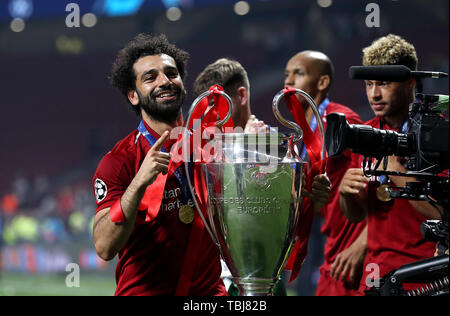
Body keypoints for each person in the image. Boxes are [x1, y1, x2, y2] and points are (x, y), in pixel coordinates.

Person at [92, 33, 227, 296]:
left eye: (171, 73)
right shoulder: (119, 161)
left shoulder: (210, 148)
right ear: (133, 95)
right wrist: (139, 183)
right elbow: (105, 247)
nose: (165, 81)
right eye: (150, 77)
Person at [193, 57, 332, 296]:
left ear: (241, 96)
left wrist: (316, 192)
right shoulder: (204, 154)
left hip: (266, 277)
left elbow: (304, 215)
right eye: (207, 106)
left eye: (216, 103)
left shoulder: (280, 149)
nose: (211, 114)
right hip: (214, 283)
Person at [339, 34, 441, 295]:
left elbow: (441, 214)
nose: (374, 93)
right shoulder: (365, 134)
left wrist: (397, 172)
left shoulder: (438, 134)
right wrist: (346, 194)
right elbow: (357, 214)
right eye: (369, 84)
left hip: (426, 275)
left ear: (410, 83)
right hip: (376, 276)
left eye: (383, 83)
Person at [283, 50, 367, 295]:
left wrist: (362, 244)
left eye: (298, 74)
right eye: (286, 74)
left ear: (322, 82)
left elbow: (376, 186)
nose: (288, 82)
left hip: (345, 249)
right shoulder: (302, 131)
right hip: (319, 241)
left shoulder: (341, 122)